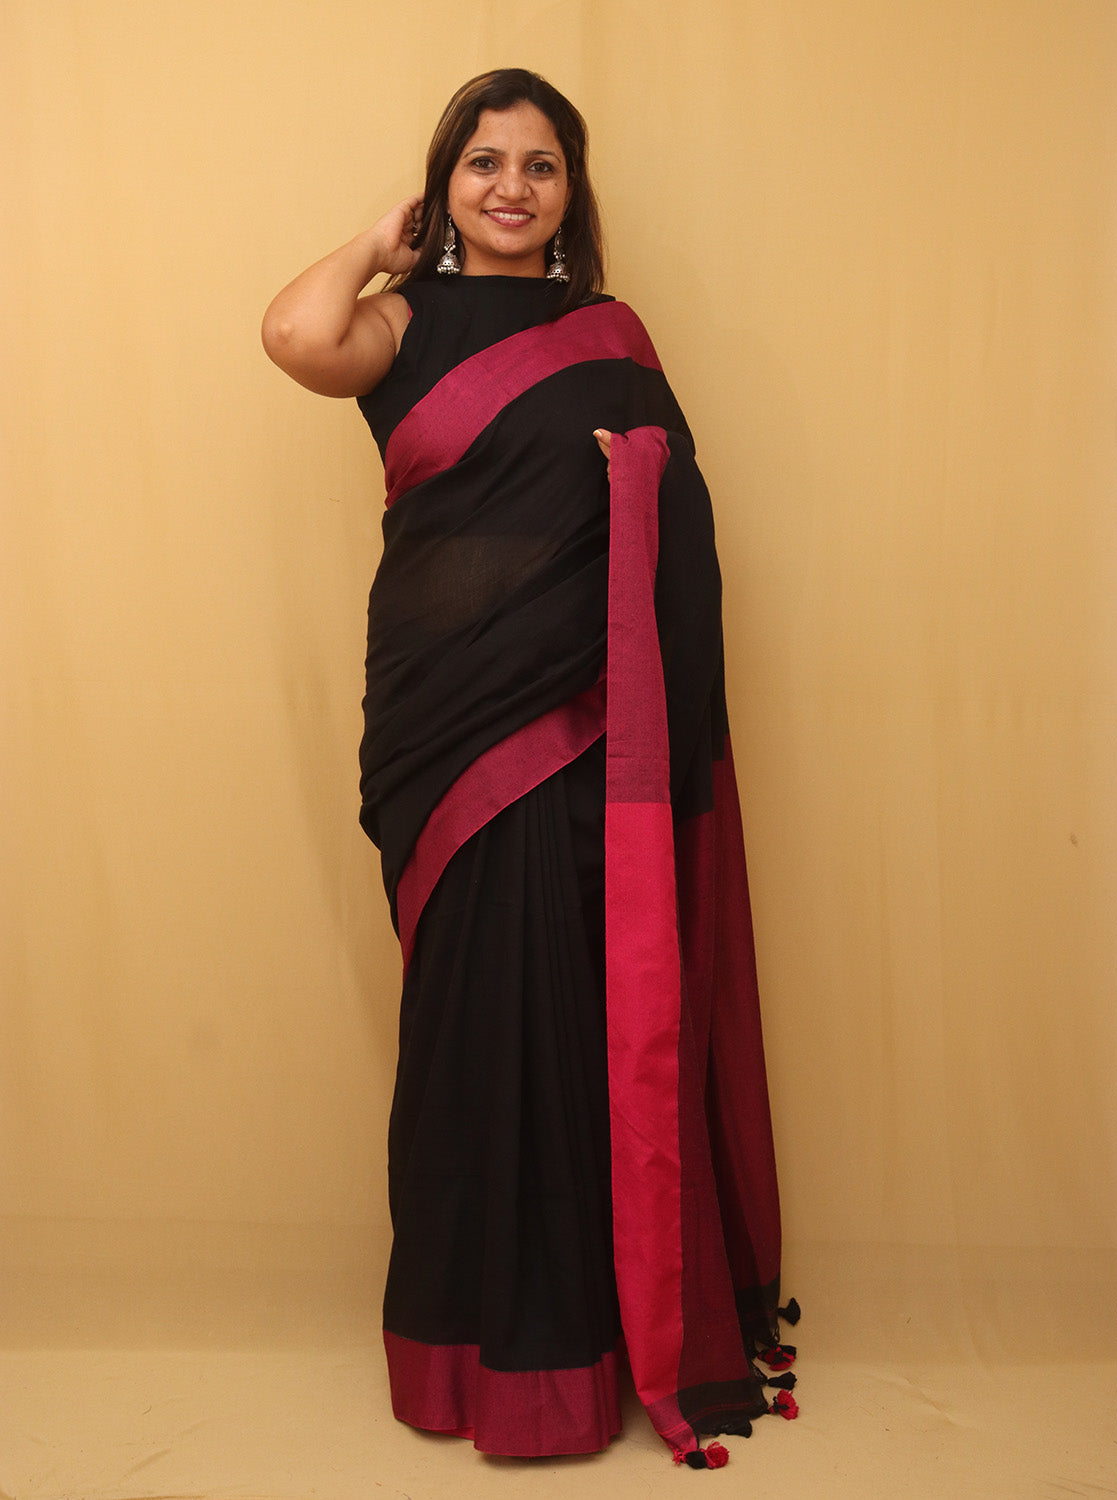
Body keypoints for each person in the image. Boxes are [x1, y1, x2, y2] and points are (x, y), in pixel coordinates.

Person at [262, 67, 796, 1467]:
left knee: (573, 1025)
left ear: (572, 193)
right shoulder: (402, 322)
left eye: (540, 165)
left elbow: (674, 525)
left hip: (582, 730)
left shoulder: (611, 336)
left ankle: (575, 1348)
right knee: (464, 1033)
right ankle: (461, 1344)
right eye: (484, 162)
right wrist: (378, 245)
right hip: (442, 727)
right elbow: (295, 334)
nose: (512, 186)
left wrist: (633, 500)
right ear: (444, 185)